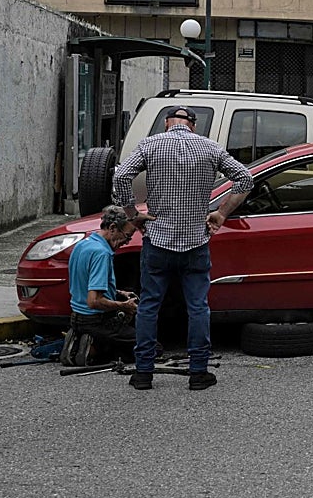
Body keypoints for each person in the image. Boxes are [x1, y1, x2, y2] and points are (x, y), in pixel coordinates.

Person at [114, 106, 254, 391]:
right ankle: (198, 372)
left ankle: (143, 373)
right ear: (193, 124)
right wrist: (221, 213)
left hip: (158, 240)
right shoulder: (210, 148)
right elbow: (244, 178)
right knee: (198, 306)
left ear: (167, 123)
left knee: (150, 305)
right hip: (196, 241)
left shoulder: (150, 145)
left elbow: (121, 177)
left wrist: (132, 214)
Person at [63, 205, 139, 366]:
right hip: (95, 320)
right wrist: (124, 306)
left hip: (76, 317)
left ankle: (83, 339)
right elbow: (94, 301)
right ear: (112, 228)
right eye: (127, 236)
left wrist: (118, 292)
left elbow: (85, 283)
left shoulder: (83, 245)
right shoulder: (102, 254)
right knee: (150, 348)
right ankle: (94, 348)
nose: (127, 242)